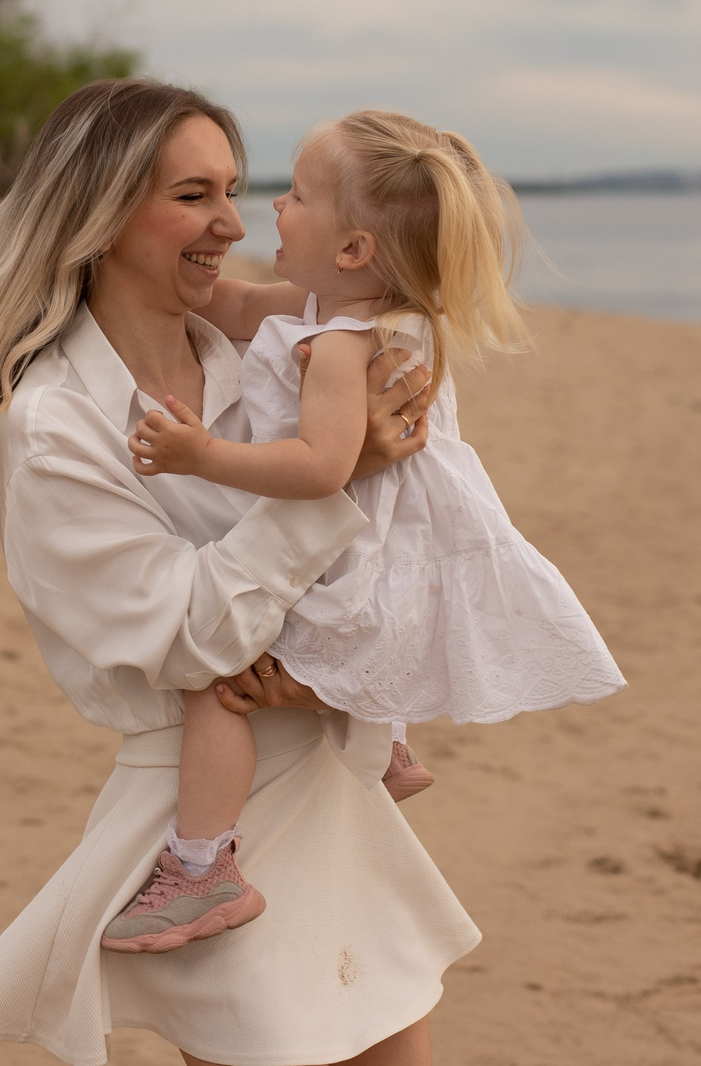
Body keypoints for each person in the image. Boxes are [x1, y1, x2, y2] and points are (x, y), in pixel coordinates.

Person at [0, 78, 477, 1066]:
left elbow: (396, 542)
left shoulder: (266, 348)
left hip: (331, 788)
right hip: (216, 824)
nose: (232, 223)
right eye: (193, 195)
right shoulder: (55, 425)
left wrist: (332, 665)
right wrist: (337, 477)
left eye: (233, 190)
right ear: (101, 215)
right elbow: (193, 637)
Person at [113, 109, 624, 953]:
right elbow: (236, 303)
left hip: (358, 567)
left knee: (215, 683)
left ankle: (201, 866)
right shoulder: (378, 311)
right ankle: (388, 742)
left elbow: (322, 468)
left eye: (297, 195)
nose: (273, 207)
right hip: (402, 560)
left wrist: (201, 454)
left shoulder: (341, 347)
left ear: (352, 248)